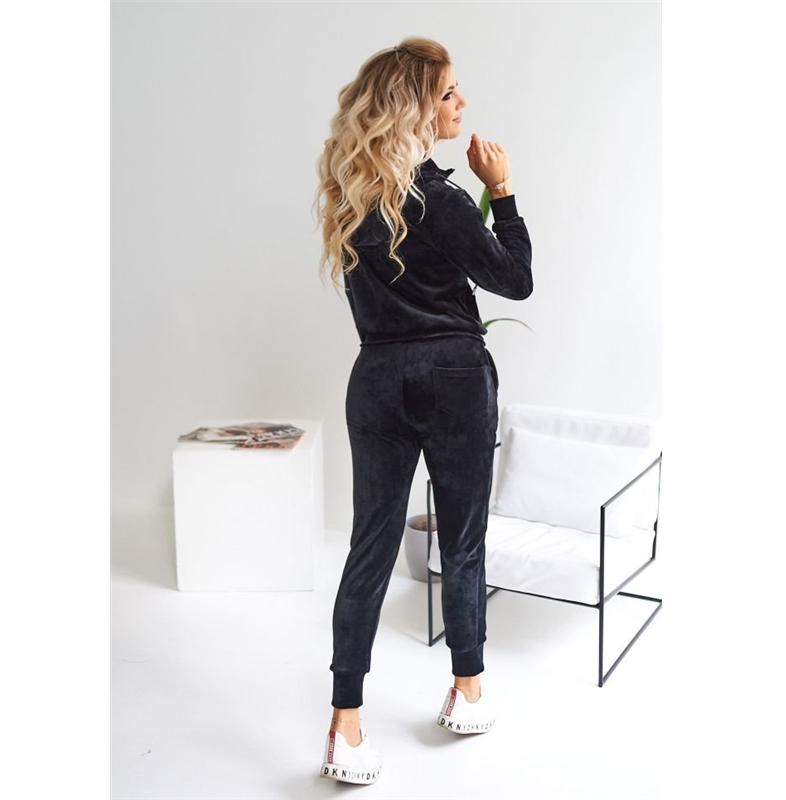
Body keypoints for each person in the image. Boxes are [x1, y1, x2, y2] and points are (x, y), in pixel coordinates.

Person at [313, 37, 533, 785]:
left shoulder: (351, 198)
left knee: (369, 548)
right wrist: (502, 190)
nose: (461, 102)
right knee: (463, 541)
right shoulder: (440, 199)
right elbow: (515, 281)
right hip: (454, 376)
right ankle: (467, 691)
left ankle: (345, 726)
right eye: (447, 93)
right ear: (413, 108)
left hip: (375, 376)